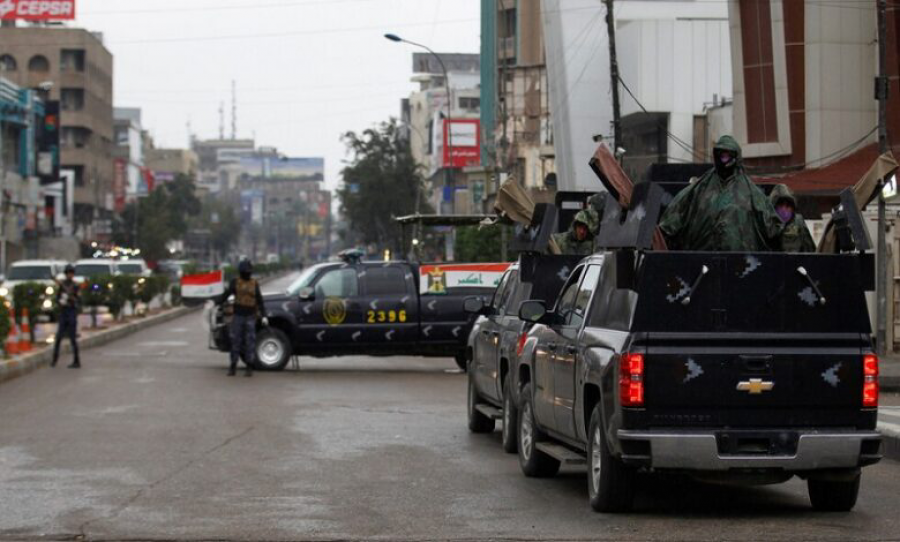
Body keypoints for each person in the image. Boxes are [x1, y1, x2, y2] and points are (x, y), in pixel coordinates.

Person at [658, 135, 784, 252]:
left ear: (736, 157)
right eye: (721, 155)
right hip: (701, 261)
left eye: (727, 155)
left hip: (741, 264)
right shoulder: (700, 188)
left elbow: (772, 228)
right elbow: (672, 220)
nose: (724, 160)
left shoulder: (751, 193)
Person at [217, 259, 268, 377]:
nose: (247, 273)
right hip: (238, 316)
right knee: (236, 342)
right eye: (245, 271)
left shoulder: (254, 284)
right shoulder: (235, 282)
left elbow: (259, 300)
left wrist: (264, 315)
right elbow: (226, 295)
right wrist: (216, 302)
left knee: (250, 342)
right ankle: (233, 366)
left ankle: (249, 366)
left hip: (250, 316)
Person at [770, 184, 816, 252]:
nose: (784, 209)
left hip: (794, 261)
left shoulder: (798, 222)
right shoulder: (767, 223)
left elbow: (809, 250)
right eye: (780, 205)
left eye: (788, 205)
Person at [51, 264, 81, 369]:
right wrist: (60, 302)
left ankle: (76, 361)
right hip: (64, 312)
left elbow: (78, 300)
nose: (70, 275)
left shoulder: (75, 286)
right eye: (68, 273)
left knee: (73, 338)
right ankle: (54, 360)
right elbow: (57, 298)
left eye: (71, 273)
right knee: (59, 337)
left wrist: (72, 299)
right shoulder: (62, 285)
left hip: (71, 311)